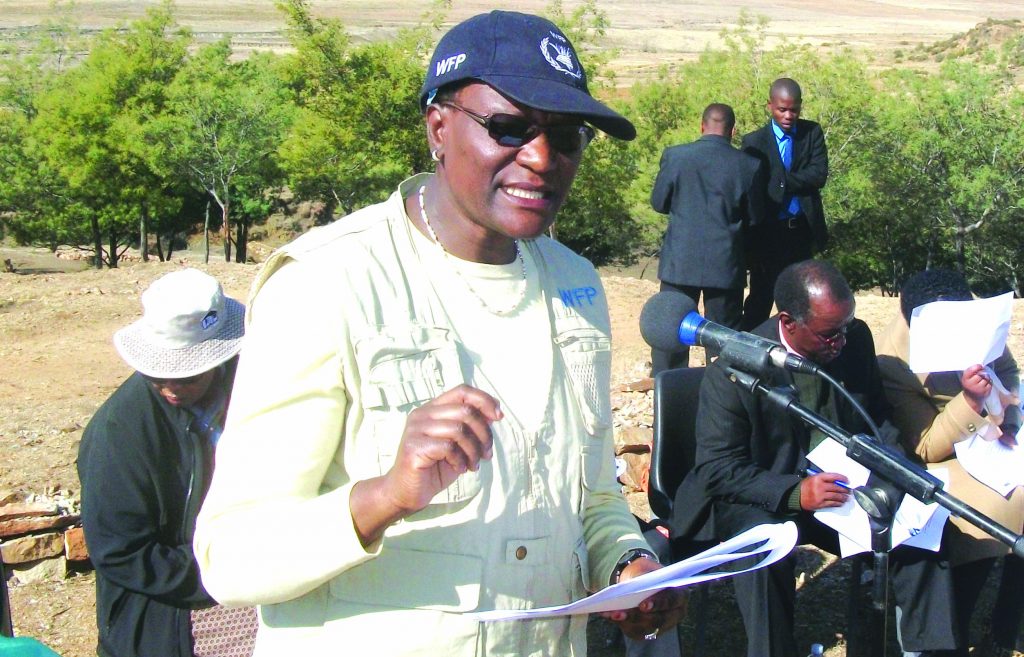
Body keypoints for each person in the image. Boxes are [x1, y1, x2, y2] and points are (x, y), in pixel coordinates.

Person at [192, 10, 685, 657]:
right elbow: (231, 556)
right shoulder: (328, 281)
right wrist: (387, 494)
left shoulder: (577, 285)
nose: (541, 158)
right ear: (439, 127)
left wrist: (628, 566)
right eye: (508, 128)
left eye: (565, 137)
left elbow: (591, 495)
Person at [671, 259, 958, 657]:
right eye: (829, 335)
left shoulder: (854, 339)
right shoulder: (735, 369)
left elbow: (876, 418)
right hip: (763, 492)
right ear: (788, 322)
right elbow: (718, 469)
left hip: (843, 488)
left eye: (845, 328)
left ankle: (929, 650)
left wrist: (893, 475)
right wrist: (796, 493)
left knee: (917, 531)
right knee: (762, 547)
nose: (841, 340)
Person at [78, 268, 255, 657]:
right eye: (158, 376)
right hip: (174, 604)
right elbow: (120, 551)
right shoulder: (118, 432)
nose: (171, 387)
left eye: (187, 377)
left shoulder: (249, 387)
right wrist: (226, 573)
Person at [876, 268, 1024, 657]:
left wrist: (1006, 413)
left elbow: (1008, 370)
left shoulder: (976, 324)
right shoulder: (893, 359)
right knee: (986, 512)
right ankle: (953, 633)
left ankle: (1009, 626)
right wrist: (971, 402)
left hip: (994, 436)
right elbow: (924, 445)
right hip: (947, 451)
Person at [649, 103, 765, 373]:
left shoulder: (676, 156)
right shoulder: (749, 166)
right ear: (732, 131)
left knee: (671, 332)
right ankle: (722, 394)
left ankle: (670, 395)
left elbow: (658, 203)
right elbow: (756, 218)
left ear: (702, 126)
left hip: (680, 260)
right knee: (723, 338)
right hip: (725, 264)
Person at [740, 78, 829, 330]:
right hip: (768, 232)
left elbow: (818, 175)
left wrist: (777, 181)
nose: (789, 115)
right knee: (760, 297)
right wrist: (793, 182)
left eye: (794, 109)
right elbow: (753, 187)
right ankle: (748, 349)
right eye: (782, 109)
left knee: (800, 299)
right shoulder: (754, 142)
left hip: (800, 230)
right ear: (770, 106)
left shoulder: (811, 133)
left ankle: (798, 352)